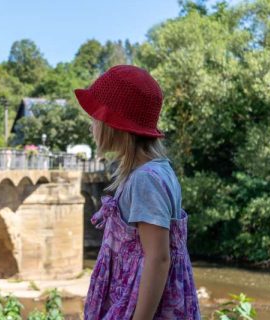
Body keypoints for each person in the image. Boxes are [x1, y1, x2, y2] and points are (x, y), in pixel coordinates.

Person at [77, 65, 200, 319]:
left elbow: (159, 258)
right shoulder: (154, 172)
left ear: (114, 124)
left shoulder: (145, 181)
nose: (92, 125)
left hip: (141, 308)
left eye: (96, 117)